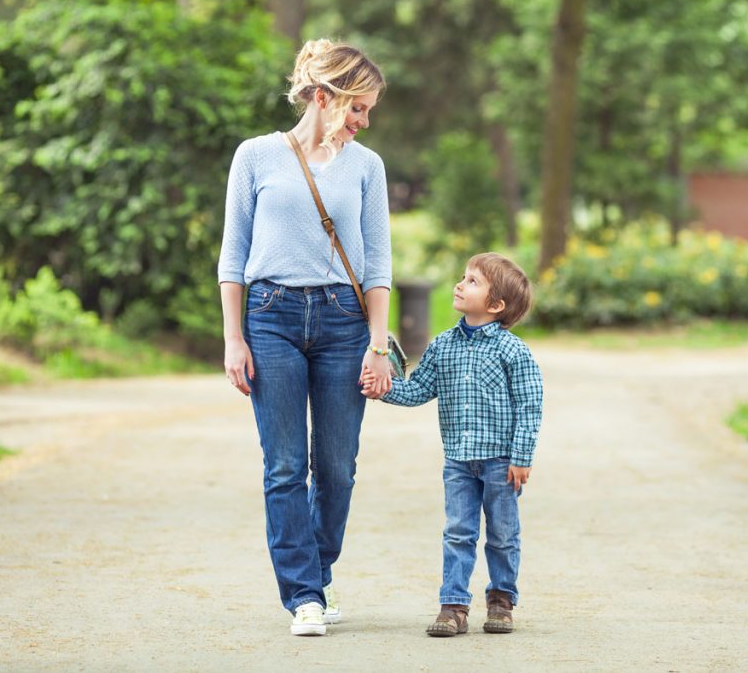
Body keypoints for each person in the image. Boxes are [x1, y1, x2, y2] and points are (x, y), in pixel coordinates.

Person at [218, 39, 392, 637]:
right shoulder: (256, 156)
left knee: (337, 467)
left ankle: (317, 570)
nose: (364, 122)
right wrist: (232, 338)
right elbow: (233, 256)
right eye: (357, 108)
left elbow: (377, 266)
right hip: (270, 318)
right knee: (286, 464)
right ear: (324, 96)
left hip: (344, 321)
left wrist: (377, 342)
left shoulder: (367, 166)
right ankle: (304, 597)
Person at [361, 252, 543, 637]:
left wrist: (522, 457)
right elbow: (417, 391)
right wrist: (384, 387)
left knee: (503, 535)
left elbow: (530, 405)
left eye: (473, 281)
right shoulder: (442, 346)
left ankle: (502, 601)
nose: (460, 284)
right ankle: (454, 606)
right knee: (458, 531)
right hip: (458, 462)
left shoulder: (514, 351)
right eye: (464, 277)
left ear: (496, 305)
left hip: (501, 462)